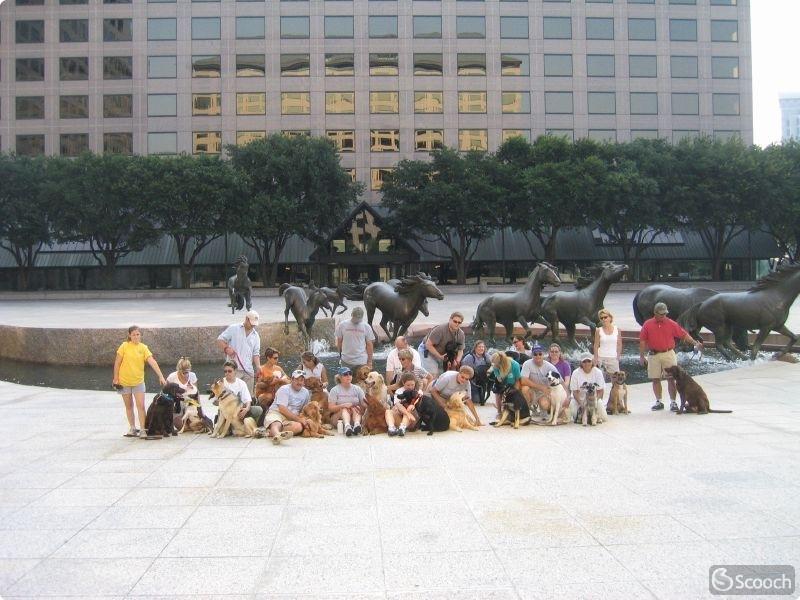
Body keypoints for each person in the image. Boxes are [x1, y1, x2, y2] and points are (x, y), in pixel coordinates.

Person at [639, 302, 703, 412]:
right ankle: (658, 401)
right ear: (655, 313)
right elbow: (642, 341)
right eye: (661, 314)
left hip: (668, 353)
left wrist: (694, 343)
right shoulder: (647, 324)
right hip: (653, 354)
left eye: (665, 314)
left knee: (671, 379)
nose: (664, 316)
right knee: (655, 379)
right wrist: (641, 356)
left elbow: (683, 334)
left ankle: (673, 402)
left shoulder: (670, 323)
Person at [113, 325, 166, 438]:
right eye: (134, 335)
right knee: (129, 406)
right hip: (124, 381)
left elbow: (152, 361)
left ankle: (143, 429)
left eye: (138, 334)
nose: (136, 336)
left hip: (138, 381)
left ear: (140, 335)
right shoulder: (124, 346)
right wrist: (115, 378)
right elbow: (117, 363)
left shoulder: (143, 348)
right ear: (129, 335)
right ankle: (132, 428)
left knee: (141, 406)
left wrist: (161, 376)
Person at [261, 370, 310, 445]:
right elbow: (282, 409)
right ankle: (277, 435)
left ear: (304, 382)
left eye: (301, 380)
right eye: (296, 379)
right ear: (291, 379)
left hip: (292, 417)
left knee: (299, 427)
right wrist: (299, 419)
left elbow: (304, 409)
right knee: (277, 422)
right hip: (277, 413)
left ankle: (272, 432)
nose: (299, 382)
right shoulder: (284, 389)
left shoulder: (306, 392)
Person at [216, 310, 261, 389]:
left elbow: (256, 353)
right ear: (246, 319)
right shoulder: (234, 328)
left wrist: (258, 367)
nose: (253, 326)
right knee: (232, 395)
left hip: (248, 371)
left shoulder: (256, 335)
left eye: (254, 324)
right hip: (233, 370)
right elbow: (219, 340)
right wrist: (226, 348)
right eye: (252, 323)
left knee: (248, 397)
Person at [423, 312, 466, 376]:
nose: (457, 324)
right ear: (450, 320)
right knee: (433, 374)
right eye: (455, 321)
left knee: (449, 373)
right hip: (428, 350)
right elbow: (428, 345)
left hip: (442, 354)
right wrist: (440, 357)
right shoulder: (440, 330)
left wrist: (457, 361)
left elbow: (460, 350)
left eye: (459, 322)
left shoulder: (461, 334)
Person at [220, 360, 263, 426]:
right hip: (226, 412)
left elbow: (248, 400)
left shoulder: (241, 383)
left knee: (258, 410)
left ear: (235, 371)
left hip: (240, 409)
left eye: (229, 371)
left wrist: (246, 409)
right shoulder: (220, 383)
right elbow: (214, 401)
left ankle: (251, 426)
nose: (227, 373)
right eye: (225, 371)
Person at [328, 367, 367, 437]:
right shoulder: (334, 390)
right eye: (345, 374)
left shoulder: (357, 389)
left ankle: (357, 425)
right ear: (340, 377)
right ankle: (347, 426)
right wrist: (343, 405)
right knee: (344, 409)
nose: (348, 376)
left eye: (350, 374)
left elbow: (364, 403)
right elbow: (330, 408)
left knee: (356, 407)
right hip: (338, 419)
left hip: (354, 415)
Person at [519, 343, 557, 413]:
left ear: (543, 355)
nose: (538, 356)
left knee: (545, 405)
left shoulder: (550, 366)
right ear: (532, 355)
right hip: (532, 390)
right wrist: (541, 387)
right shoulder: (527, 364)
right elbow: (523, 380)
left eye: (540, 354)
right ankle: (526, 411)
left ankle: (546, 409)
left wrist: (568, 396)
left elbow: (561, 381)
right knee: (524, 389)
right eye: (535, 354)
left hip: (543, 393)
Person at [386, 372, 421, 437]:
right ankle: (391, 428)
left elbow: (416, 404)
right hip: (402, 417)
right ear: (403, 383)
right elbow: (398, 405)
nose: (410, 387)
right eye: (408, 385)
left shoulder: (418, 391)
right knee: (388, 411)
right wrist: (407, 413)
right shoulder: (399, 391)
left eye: (412, 385)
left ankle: (402, 428)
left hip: (412, 420)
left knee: (409, 409)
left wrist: (408, 412)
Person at [489, 351, 522, 417]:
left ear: (502, 363)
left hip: (513, 384)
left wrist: (515, 391)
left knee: (514, 395)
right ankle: (499, 411)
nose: (495, 366)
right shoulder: (495, 366)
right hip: (503, 383)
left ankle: (515, 410)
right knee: (498, 391)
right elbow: (498, 377)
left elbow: (518, 380)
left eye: (496, 364)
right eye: (493, 364)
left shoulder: (515, 365)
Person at [593, 309, 622, 379]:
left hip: (613, 358)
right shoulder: (598, 330)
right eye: (601, 318)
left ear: (610, 318)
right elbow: (596, 345)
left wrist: (618, 357)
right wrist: (595, 358)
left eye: (605, 317)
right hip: (601, 358)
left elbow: (619, 344)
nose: (603, 319)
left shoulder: (617, 329)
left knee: (616, 381)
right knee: (600, 382)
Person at [462, 340, 491, 406]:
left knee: (479, 400)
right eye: (479, 347)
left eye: (483, 347)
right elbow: (464, 370)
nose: (481, 348)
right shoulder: (469, 357)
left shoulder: (487, 356)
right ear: (475, 348)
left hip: (482, 381)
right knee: (475, 400)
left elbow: (492, 365)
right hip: (472, 381)